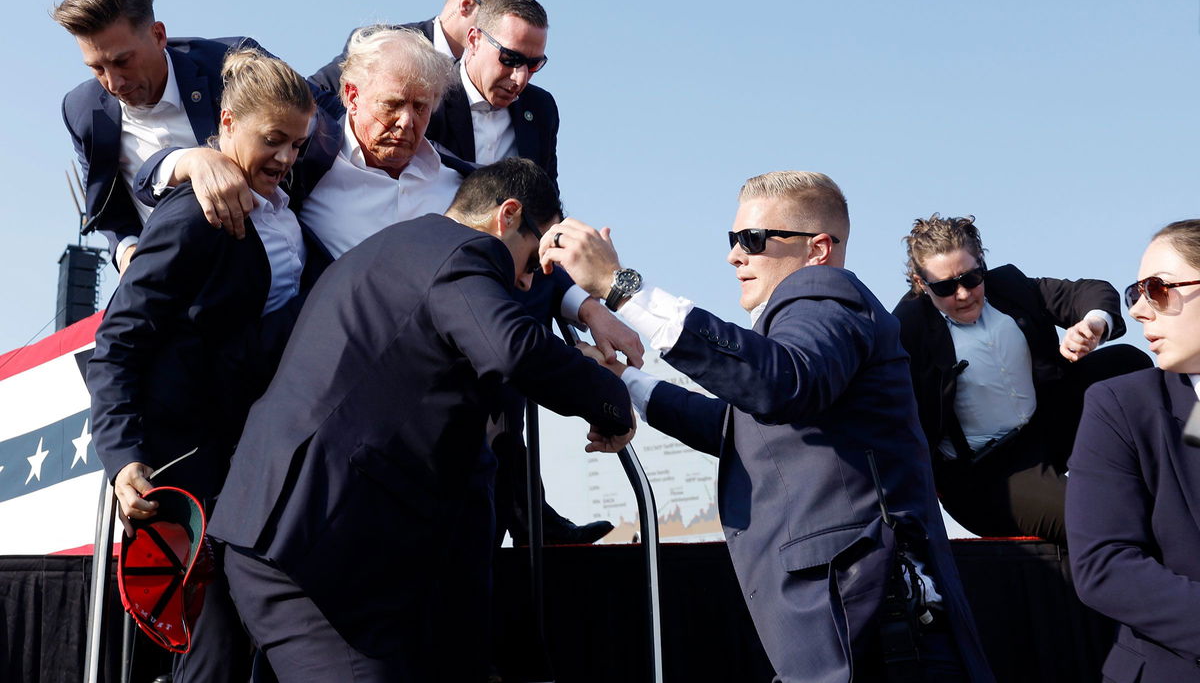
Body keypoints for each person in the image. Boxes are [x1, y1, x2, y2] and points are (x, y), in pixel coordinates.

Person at [147, 24, 630, 544]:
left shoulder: (461, 185)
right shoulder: (301, 162)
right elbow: (196, 169)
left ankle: (526, 513)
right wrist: (190, 158)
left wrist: (586, 306)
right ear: (351, 95)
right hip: (324, 396)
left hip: (434, 400)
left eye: (422, 108)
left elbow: (518, 250)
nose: (407, 123)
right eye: (393, 105)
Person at [541, 172, 993, 682]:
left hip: (877, 636)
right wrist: (629, 384)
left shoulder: (826, 296)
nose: (735, 256)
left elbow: (781, 383)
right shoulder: (804, 333)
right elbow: (742, 428)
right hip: (853, 636)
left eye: (752, 240)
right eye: (732, 240)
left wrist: (623, 289)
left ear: (818, 248)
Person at [208, 158, 635, 682]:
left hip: (303, 536)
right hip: (316, 546)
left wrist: (573, 361)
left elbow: (467, 357)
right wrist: (610, 401)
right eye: (535, 257)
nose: (528, 284)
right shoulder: (463, 255)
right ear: (508, 216)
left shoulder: (400, 250)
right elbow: (513, 350)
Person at [87, 49, 321, 683]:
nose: (286, 159)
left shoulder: (283, 209)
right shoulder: (195, 214)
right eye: (273, 140)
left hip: (249, 458)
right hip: (189, 464)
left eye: (297, 145)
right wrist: (123, 455)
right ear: (225, 122)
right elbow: (118, 341)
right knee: (213, 649)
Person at [892, 215, 1149, 545]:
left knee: (1127, 363)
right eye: (944, 287)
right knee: (1101, 520)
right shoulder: (906, 329)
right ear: (921, 284)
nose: (963, 294)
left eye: (971, 278)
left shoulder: (1010, 286)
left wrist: (1093, 325)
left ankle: (1158, 465)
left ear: (982, 265)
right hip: (986, 476)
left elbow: (1089, 292)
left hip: (1043, 430)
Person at [53, 0, 338, 271]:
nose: (114, 83)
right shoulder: (82, 110)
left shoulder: (230, 63)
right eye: (97, 68)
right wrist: (128, 252)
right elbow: (108, 209)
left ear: (158, 35)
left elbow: (315, 107)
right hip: (174, 283)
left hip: (272, 263)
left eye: (123, 61)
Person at [1067, 219, 1200, 682]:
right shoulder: (1121, 406)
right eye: (1135, 293)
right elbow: (1103, 565)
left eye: (1157, 289)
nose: (1142, 310)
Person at [309, 0, 525, 93]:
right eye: (496, 14)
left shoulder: (500, 85)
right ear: (466, 4)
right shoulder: (382, 43)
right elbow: (315, 96)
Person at [423, 0, 558, 184]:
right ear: (474, 40)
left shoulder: (541, 109)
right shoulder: (429, 93)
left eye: (533, 65)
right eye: (510, 59)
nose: (520, 78)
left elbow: (547, 197)